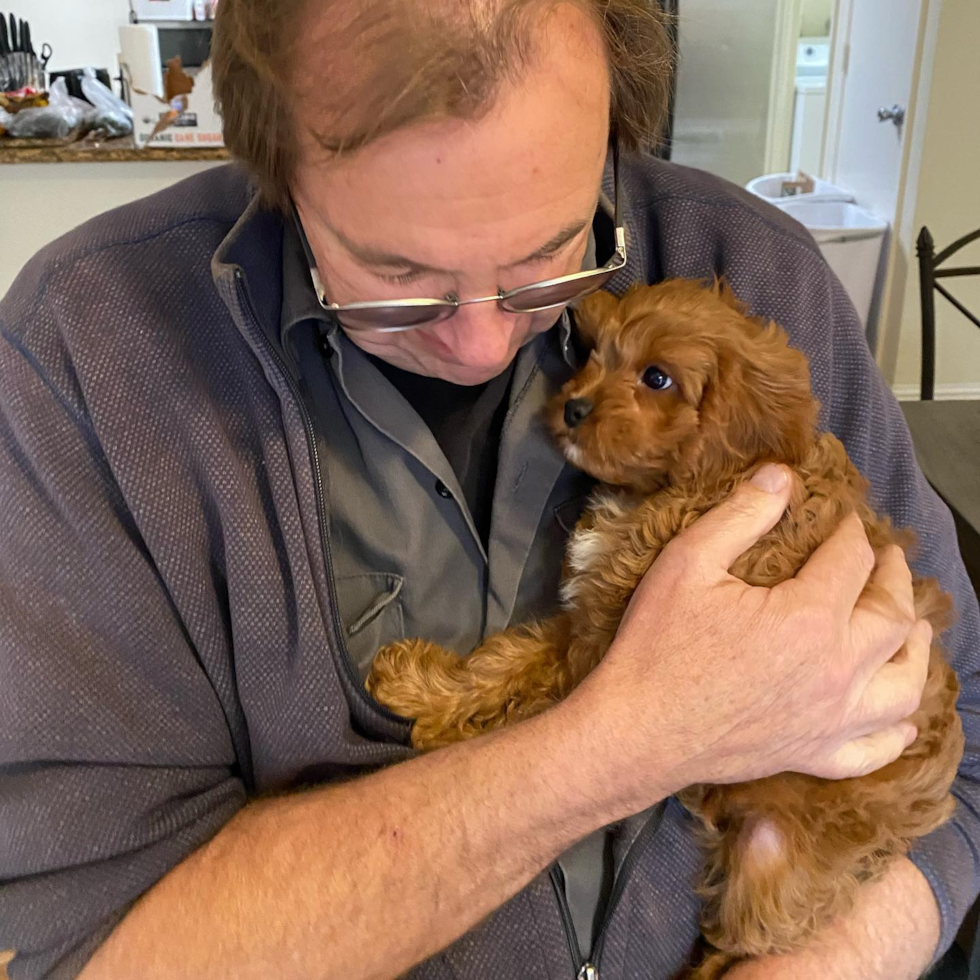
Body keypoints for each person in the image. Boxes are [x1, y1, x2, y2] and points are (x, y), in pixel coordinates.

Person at [0, 1, 976, 978]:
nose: (479, 344)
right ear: (273, 163)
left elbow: (965, 755)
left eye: (549, 256)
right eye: (394, 275)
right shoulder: (86, 360)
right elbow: (92, 946)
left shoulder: (760, 279)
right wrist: (631, 739)